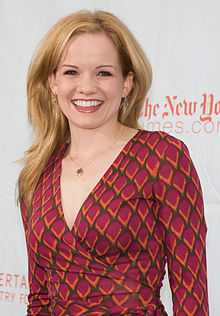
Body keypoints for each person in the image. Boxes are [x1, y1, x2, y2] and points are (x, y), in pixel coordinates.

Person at [17, 10, 209, 315]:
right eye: (71, 72)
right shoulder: (37, 172)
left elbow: (191, 293)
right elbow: (39, 298)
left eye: (103, 73)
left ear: (127, 83)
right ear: (52, 82)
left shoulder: (161, 157)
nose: (87, 87)